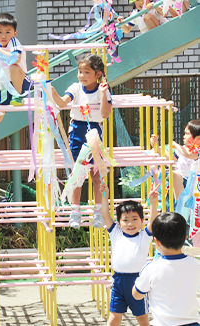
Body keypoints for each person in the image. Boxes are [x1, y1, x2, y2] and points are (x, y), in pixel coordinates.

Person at [52, 53, 112, 228]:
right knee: (77, 174)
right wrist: (53, 93)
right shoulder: (75, 87)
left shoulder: (104, 89)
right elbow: (62, 104)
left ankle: (98, 212)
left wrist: (102, 94)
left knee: (96, 175)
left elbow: (105, 114)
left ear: (98, 74)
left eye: (87, 72)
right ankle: (75, 211)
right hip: (77, 131)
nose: (82, 76)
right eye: (80, 72)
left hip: (94, 132)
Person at [100, 182, 159, 326]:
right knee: (113, 319)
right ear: (119, 223)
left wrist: (153, 203)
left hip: (138, 281)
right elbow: (105, 214)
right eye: (125, 220)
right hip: (118, 282)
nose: (130, 223)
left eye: (134, 219)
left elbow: (153, 222)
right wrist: (105, 196)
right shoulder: (116, 233)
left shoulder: (144, 236)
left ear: (142, 221)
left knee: (142, 319)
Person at [133, 212, 200, 326]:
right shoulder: (195, 263)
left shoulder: (152, 268)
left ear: (157, 241)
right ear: (185, 237)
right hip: (192, 322)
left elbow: (137, 294)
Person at [151, 119, 200, 201]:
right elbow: (170, 157)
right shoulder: (182, 149)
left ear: (198, 138)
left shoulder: (197, 150)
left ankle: (182, 205)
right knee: (173, 174)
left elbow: (188, 154)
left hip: (195, 183)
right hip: (182, 181)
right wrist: (156, 146)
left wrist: (175, 144)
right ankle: (180, 204)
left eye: (187, 134)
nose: (184, 136)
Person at [118, 0, 189, 34]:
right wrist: (122, 23)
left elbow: (165, 13)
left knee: (147, 17)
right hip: (149, 37)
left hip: (164, 31)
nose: (141, 2)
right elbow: (127, 29)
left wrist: (155, 6)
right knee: (146, 17)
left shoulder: (154, 5)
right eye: (137, 0)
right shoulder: (135, 13)